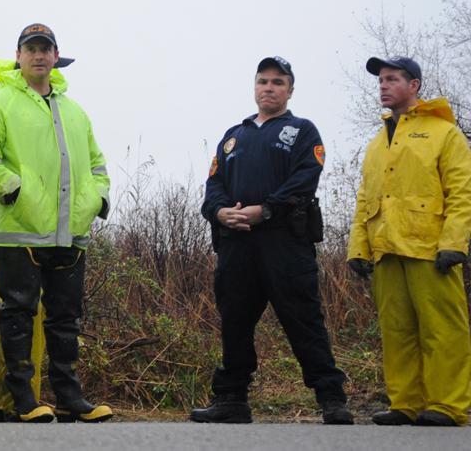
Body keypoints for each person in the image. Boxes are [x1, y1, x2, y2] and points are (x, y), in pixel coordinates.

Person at [0, 25, 113, 424]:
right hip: (19, 231)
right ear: (18, 55)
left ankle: (69, 398)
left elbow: (97, 164)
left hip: (70, 233)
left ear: (56, 55)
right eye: (30, 49)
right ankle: (22, 399)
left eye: (45, 49)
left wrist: (96, 199)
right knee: (18, 315)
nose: (38, 56)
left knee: (66, 319)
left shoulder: (75, 111)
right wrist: (12, 191)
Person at [193, 56, 353, 425]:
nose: (269, 88)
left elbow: (304, 180)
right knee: (235, 321)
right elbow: (213, 185)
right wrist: (220, 213)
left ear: (290, 90)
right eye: (263, 81)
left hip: (285, 243)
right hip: (236, 243)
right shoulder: (234, 136)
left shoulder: (302, 131)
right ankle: (232, 400)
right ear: (254, 88)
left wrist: (264, 210)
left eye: (278, 82)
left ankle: (331, 398)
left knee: (304, 319)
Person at [347, 56, 471, 427]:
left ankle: (447, 405)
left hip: (430, 248)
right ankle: (405, 403)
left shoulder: (443, 132)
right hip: (386, 249)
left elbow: (462, 191)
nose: (383, 85)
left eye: (392, 79)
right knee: (396, 330)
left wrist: (454, 242)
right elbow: (365, 197)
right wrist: (359, 247)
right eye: (381, 80)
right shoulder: (376, 142)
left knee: (443, 329)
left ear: (414, 85)